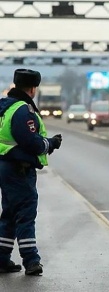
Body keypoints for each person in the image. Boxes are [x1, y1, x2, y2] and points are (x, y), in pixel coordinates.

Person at [0, 69, 62, 275]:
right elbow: (30, 142)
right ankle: (31, 261)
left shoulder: (5, 108)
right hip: (19, 169)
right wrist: (50, 143)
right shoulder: (22, 110)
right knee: (26, 213)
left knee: (9, 213)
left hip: (6, 166)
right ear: (33, 88)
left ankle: (2, 258)